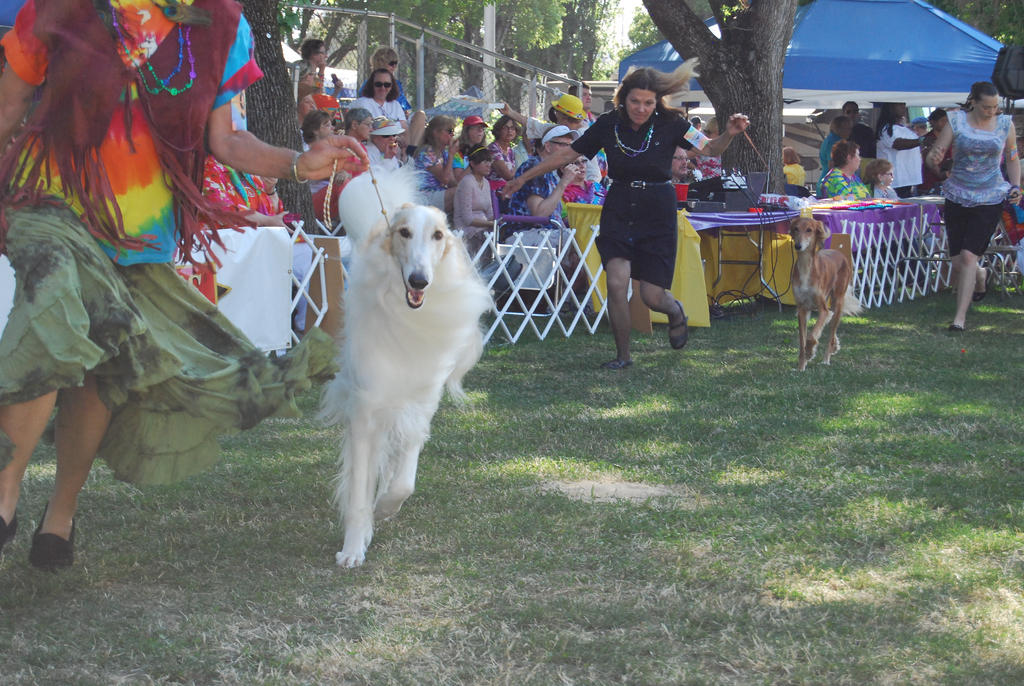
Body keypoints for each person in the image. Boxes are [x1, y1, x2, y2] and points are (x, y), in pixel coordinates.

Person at [0, 0, 368, 570]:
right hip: (50, 202)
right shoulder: (59, 5)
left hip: (141, 230)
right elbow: (9, 102)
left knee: (103, 364)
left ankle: (61, 513)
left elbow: (227, 142)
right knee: (53, 307)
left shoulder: (223, 25)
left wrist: (300, 162)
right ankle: (5, 491)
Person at [504, 61, 750, 369]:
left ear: (656, 100)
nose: (641, 108)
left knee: (651, 295)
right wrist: (524, 178)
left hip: (658, 208)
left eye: (648, 102)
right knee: (617, 283)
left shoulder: (672, 122)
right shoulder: (608, 123)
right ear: (624, 98)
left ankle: (675, 311)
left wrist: (729, 132)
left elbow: (711, 149)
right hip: (620, 204)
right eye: (635, 101)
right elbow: (568, 153)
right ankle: (623, 356)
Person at [926, 81, 1021, 331]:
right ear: (974, 103)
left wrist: (1016, 185)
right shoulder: (955, 121)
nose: (992, 111)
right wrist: (933, 159)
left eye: (995, 107)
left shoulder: (1004, 124)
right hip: (957, 194)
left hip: (990, 196)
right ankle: (980, 275)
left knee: (969, 256)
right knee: (957, 261)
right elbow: (938, 150)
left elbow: (1012, 158)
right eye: (987, 107)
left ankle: (959, 319)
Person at [452, 146, 495, 255]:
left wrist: (496, 221)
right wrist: (490, 224)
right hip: (466, 230)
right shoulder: (467, 182)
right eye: (484, 161)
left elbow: (489, 211)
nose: (488, 165)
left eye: (489, 161)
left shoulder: (486, 183)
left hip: (484, 228)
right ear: (473, 163)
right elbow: (467, 219)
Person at [875, 102, 924, 197]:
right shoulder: (886, 129)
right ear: (890, 107)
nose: (903, 107)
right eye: (899, 104)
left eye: (904, 104)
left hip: (909, 180)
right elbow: (897, 144)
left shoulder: (905, 129)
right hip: (895, 182)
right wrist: (921, 141)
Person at [414, 115, 459, 212]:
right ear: (436, 132)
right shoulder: (427, 151)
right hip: (425, 196)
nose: (452, 135)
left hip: (438, 193)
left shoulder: (444, 153)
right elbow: (445, 179)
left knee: (466, 190)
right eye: (449, 131)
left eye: (453, 131)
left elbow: (451, 181)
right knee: (461, 192)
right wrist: (452, 155)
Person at [919, 108, 951, 194]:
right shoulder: (928, 139)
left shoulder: (950, 137)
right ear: (933, 122)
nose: (946, 123)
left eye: (947, 121)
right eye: (943, 120)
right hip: (931, 182)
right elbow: (928, 159)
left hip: (948, 181)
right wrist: (941, 174)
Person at [486, 114, 521, 190]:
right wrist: (518, 170)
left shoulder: (510, 151)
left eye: (512, 128)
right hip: (494, 191)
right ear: (499, 130)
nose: (509, 131)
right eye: (505, 128)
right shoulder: (493, 149)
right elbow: (508, 176)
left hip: (508, 189)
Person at [453, 115, 488, 183]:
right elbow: (458, 180)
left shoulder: (484, 151)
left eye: (482, 128)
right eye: (476, 127)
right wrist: (475, 163)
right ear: (466, 131)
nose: (480, 130)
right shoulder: (458, 153)